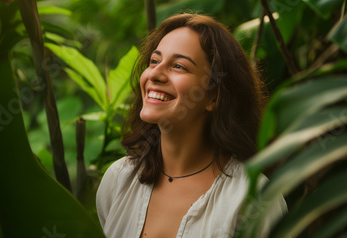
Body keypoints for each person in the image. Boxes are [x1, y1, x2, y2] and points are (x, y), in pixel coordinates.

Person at [96, 13, 287, 237]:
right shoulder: (119, 179)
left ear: (214, 96)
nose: (155, 74)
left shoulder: (253, 199)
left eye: (178, 66)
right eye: (155, 61)